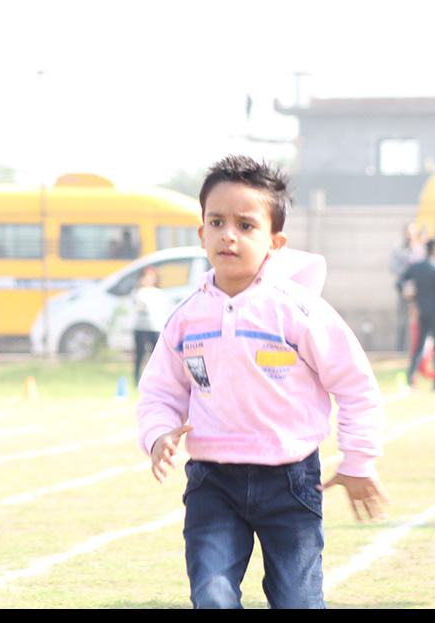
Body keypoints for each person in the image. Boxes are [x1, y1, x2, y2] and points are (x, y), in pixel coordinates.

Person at [136, 155, 389, 609]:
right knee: (211, 597)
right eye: (216, 222)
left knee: (298, 601)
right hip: (212, 482)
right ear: (201, 234)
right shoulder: (185, 318)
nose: (228, 235)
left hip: (290, 481)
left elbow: (355, 385)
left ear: (275, 242)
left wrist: (359, 459)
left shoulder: (298, 310)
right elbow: (159, 390)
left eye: (246, 225)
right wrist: (157, 435)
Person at [397, 239, 435, 391]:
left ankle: (409, 380)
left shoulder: (416, 267)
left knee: (419, 348)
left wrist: (408, 296)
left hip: (422, 312)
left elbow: (399, 282)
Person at [389, 223, 421, 353]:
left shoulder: (420, 250)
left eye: (412, 232)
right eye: (407, 232)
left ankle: (416, 349)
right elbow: (393, 267)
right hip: (403, 291)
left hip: (418, 291)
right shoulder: (397, 250)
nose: (409, 235)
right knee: (402, 321)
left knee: (417, 322)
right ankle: (401, 351)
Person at [132, 266, 167, 386]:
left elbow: (162, 310)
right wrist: (139, 289)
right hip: (141, 327)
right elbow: (138, 306)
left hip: (155, 327)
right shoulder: (138, 292)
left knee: (156, 356)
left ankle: (156, 380)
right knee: (139, 355)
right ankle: (137, 380)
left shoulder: (158, 292)